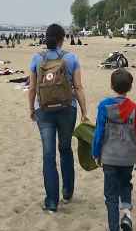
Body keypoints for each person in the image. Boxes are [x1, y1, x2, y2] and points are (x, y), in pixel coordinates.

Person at [28, 23, 90, 213]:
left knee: (48, 154)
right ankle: (68, 191)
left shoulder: (36, 58)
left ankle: (52, 201)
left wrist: (31, 108)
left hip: (44, 110)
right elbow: (78, 87)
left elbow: (31, 88)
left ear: (46, 38)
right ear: (63, 38)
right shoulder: (71, 58)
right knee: (65, 149)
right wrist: (84, 112)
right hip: (67, 109)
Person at [92, 69, 136, 231]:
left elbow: (99, 131)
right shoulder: (134, 108)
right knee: (125, 186)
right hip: (128, 156)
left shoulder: (104, 106)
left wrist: (96, 152)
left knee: (111, 196)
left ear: (112, 86)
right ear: (130, 87)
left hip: (110, 156)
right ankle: (127, 215)